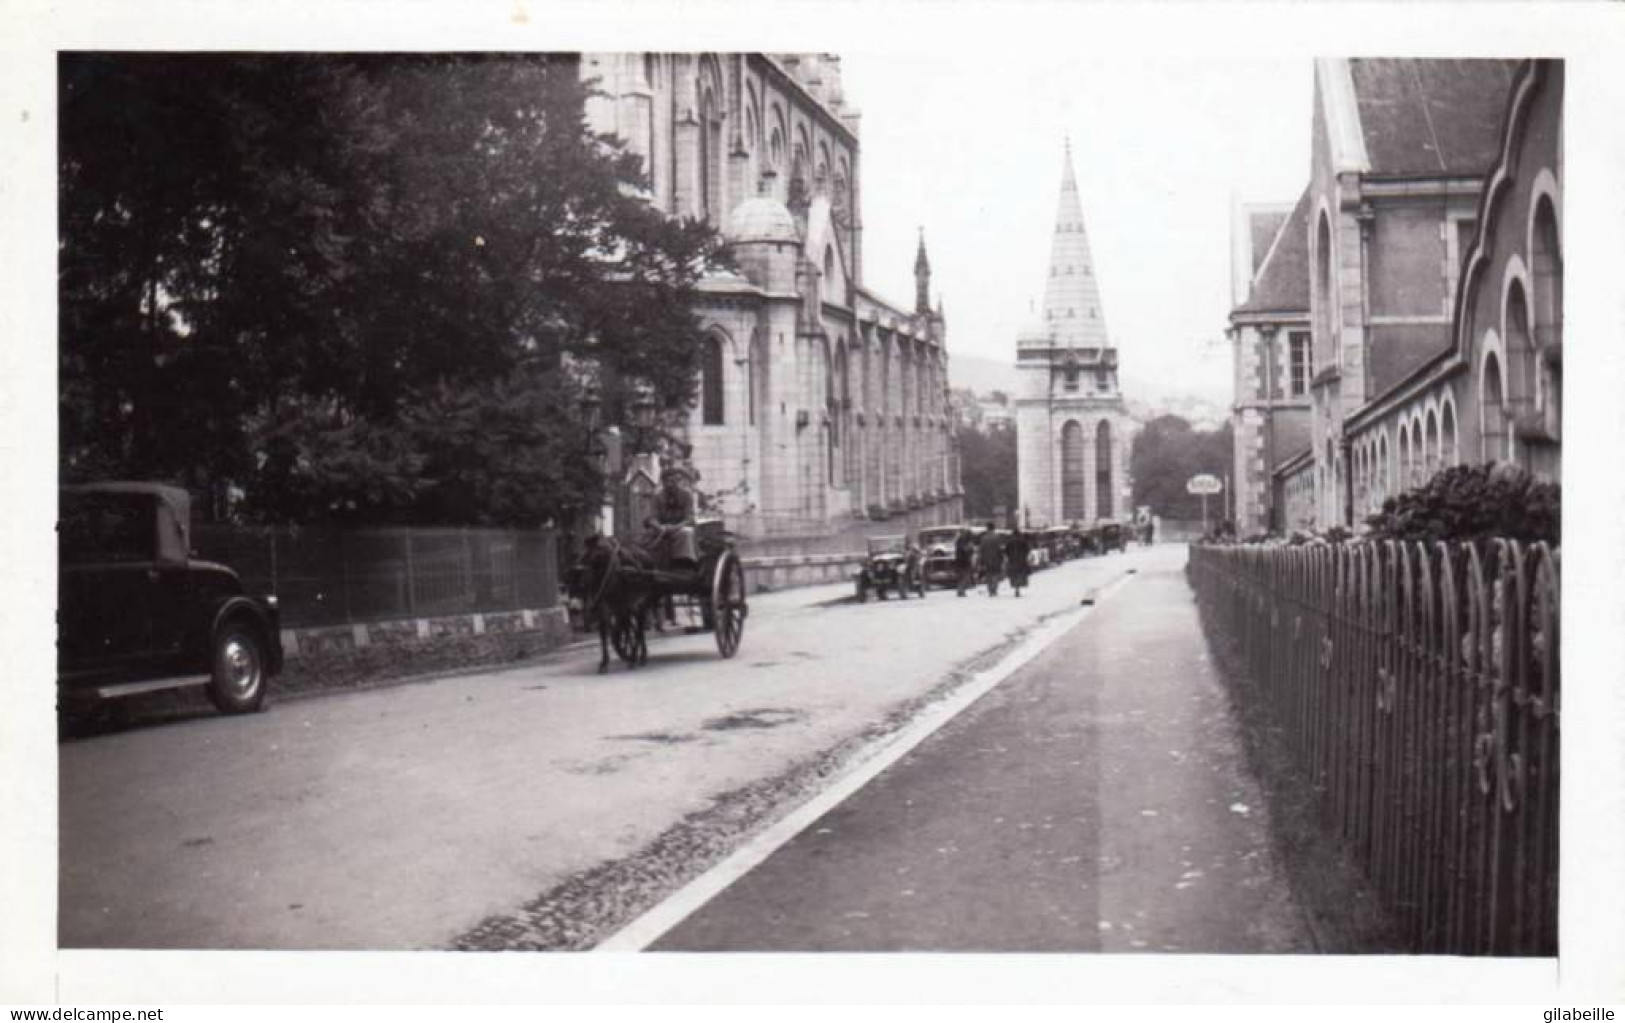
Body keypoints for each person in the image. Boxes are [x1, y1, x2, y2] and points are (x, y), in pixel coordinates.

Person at [976, 521, 1004, 597]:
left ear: (987, 528)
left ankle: (990, 590)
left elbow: (981, 550)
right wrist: (1002, 558)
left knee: (988, 575)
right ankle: (994, 589)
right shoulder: (997, 537)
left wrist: (980, 560)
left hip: (986, 559)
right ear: (993, 528)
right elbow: (1000, 549)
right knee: (995, 574)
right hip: (996, 559)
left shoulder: (983, 538)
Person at [1004, 525, 1032, 598]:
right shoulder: (1022, 541)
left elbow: (1006, 551)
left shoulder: (1009, 542)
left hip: (1012, 560)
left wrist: (1010, 556)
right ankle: (1018, 588)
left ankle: (1016, 587)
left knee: (1014, 575)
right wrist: (1024, 556)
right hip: (1021, 560)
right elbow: (1027, 550)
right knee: (1020, 574)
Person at [953, 527, 978, 597]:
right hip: (964, 561)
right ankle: (961, 591)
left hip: (961, 561)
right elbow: (965, 551)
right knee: (964, 577)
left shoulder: (959, 540)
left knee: (962, 577)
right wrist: (970, 550)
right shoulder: (962, 541)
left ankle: (960, 591)